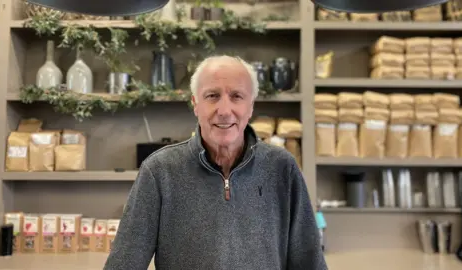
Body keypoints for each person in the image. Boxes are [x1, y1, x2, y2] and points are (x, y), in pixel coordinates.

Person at [103, 55, 328, 270]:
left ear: (251, 107)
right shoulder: (159, 171)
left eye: (236, 96)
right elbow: (124, 263)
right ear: (195, 104)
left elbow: (309, 262)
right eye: (212, 96)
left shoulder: (281, 168)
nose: (224, 111)